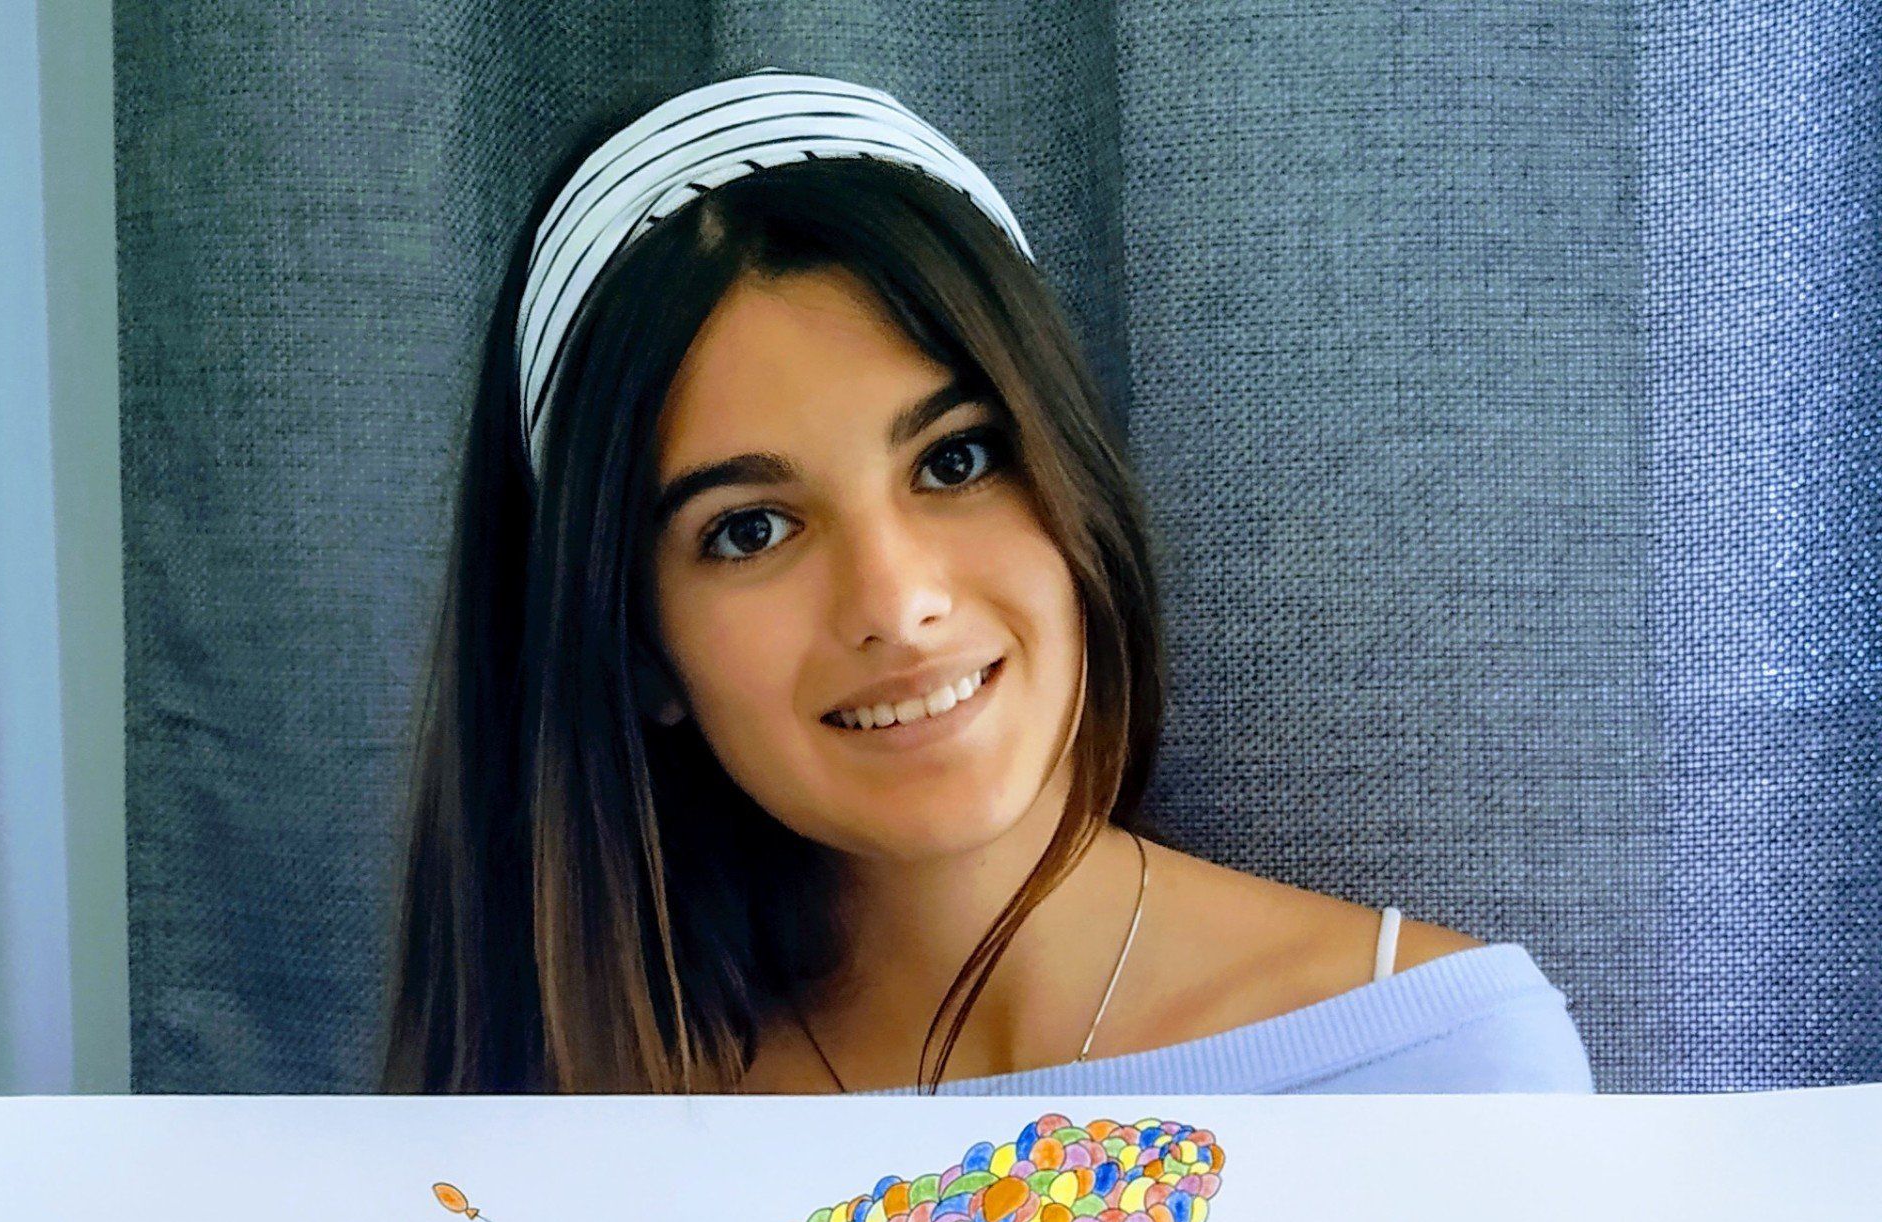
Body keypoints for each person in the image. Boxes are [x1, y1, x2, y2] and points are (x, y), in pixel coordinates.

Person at [384, 72, 1594, 1099]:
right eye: (750, 529)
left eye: (955, 461)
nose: (895, 603)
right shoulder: (540, 1147)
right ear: (638, 647)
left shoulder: (1444, 1068)